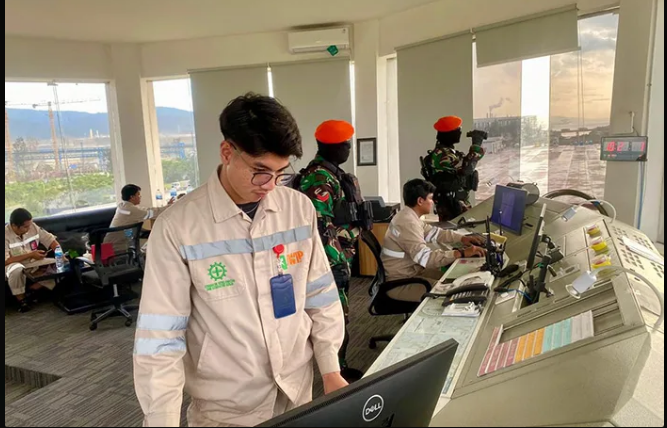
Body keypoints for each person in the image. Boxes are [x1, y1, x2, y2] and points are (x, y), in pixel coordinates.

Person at [133, 93, 347, 427]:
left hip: (295, 391)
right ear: (227, 152)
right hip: (227, 408)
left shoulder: (297, 208)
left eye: (280, 173)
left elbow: (319, 294)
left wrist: (330, 368)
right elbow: (160, 337)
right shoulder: (178, 226)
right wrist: (162, 420)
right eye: (260, 172)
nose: (270, 185)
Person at [296, 120, 372, 383]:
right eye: (345, 144)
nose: (349, 148)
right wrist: (335, 261)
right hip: (329, 261)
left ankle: (340, 366)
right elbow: (319, 227)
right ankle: (336, 372)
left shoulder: (335, 175)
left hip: (341, 257)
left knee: (342, 315)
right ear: (332, 146)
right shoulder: (318, 178)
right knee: (335, 317)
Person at [381, 179, 486, 302]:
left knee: (455, 279)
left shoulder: (408, 216)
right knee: (454, 292)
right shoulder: (407, 223)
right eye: (431, 198)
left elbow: (435, 233)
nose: (433, 202)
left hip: (411, 272)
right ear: (420, 201)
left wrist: (463, 238)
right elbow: (426, 259)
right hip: (400, 283)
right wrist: (461, 253)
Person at [421, 116, 485, 222]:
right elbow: (467, 169)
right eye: (458, 129)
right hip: (453, 205)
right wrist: (476, 145)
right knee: (459, 230)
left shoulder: (445, 152)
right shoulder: (443, 154)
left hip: (453, 203)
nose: (460, 132)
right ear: (449, 133)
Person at [4, 208, 61, 313]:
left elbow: (51, 240)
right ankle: (22, 301)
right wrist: (31, 254)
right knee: (16, 270)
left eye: (30, 225)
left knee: (59, 265)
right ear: (14, 225)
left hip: (33, 261)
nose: (29, 228)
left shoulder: (33, 226)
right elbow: (6, 261)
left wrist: (60, 255)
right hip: (12, 264)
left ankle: (32, 290)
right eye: (25, 227)